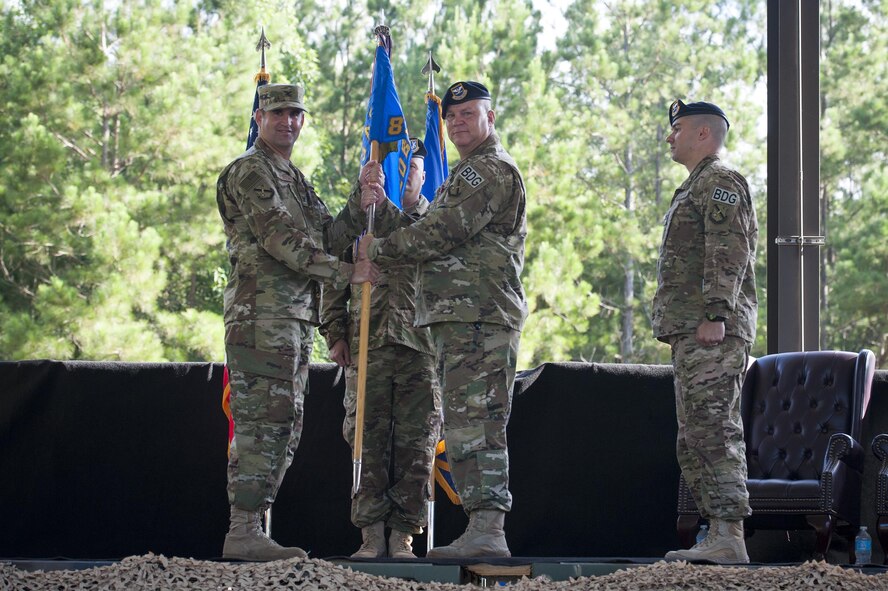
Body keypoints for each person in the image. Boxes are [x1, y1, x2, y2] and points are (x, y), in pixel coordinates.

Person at [357, 81, 527, 558]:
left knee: (478, 424)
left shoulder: (486, 170)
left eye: (468, 113)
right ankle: (482, 526)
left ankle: (488, 529)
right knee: (467, 423)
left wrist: (379, 248)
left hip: (479, 317)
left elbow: (441, 231)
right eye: (451, 116)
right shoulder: (469, 172)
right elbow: (442, 228)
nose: (456, 123)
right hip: (464, 318)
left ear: (490, 117)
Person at [216, 83, 381, 561]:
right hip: (260, 317)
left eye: (295, 114)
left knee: (284, 422)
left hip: (292, 319)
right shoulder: (251, 171)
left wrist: (360, 200)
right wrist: (348, 273)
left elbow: (327, 236)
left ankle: (252, 529)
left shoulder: (293, 177)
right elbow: (279, 239)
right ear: (259, 118)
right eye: (278, 113)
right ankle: (242, 529)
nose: (288, 121)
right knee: (260, 423)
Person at [320, 138, 443, 559]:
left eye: (413, 170)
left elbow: (417, 243)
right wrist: (335, 331)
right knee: (366, 440)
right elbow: (336, 274)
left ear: (424, 177)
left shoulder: (437, 220)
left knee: (416, 445)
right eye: (399, 167)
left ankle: (404, 534)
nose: (405, 177)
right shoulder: (363, 219)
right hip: (367, 345)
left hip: (420, 350)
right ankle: (371, 533)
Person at [653, 99, 758, 564]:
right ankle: (717, 532)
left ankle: (729, 534)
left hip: (712, 329)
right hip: (692, 330)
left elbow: (727, 248)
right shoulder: (696, 185)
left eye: (677, 128)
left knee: (714, 429)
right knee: (694, 434)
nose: (669, 136)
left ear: (702, 133)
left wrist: (716, 313)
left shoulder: (720, 180)